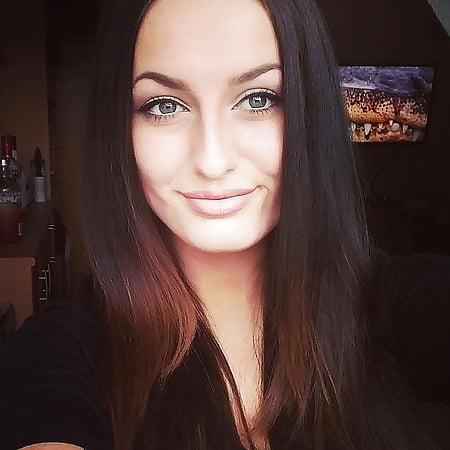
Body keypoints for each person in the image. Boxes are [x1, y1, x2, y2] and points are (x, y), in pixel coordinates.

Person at [0, 0, 449, 449]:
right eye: (164, 105)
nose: (212, 161)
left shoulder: (396, 304)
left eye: (258, 99)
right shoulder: (61, 352)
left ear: (312, 113)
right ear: (118, 131)